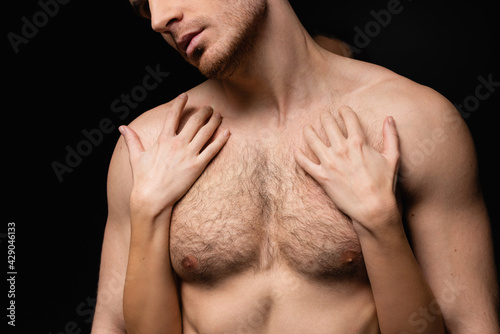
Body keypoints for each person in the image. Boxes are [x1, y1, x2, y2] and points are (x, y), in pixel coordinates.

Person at [91, 0, 499, 333]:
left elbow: (470, 324)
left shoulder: (415, 121)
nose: (160, 19)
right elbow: (113, 327)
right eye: (145, 7)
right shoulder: (149, 145)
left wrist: (378, 218)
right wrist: (148, 206)